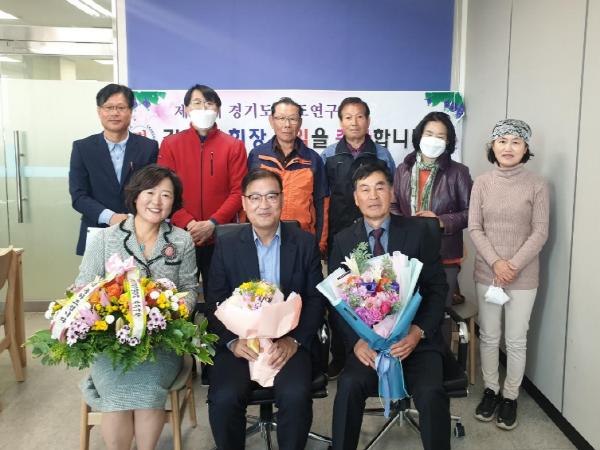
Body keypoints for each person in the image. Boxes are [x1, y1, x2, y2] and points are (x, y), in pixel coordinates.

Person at [329, 161, 450, 450]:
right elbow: (336, 302)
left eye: (379, 187)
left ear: (392, 192)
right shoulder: (343, 241)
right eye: (365, 190)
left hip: (415, 341)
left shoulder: (419, 232)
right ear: (355, 198)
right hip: (369, 344)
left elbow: (437, 289)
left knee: (431, 391)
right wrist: (357, 342)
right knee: (348, 386)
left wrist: (417, 332)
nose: (373, 196)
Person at [76, 164, 198, 450]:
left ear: (173, 202)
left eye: (166, 195)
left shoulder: (181, 240)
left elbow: (190, 289)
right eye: (150, 192)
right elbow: (83, 288)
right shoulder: (105, 239)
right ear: (135, 195)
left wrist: (172, 309)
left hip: (161, 344)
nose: (157, 201)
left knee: (147, 391)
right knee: (116, 394)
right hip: (111, 345)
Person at [206, 168, 324, 450]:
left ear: (282, 200)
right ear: (244, 203)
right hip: (241, 342)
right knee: (224, 397)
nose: (264, 205)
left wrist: (295, 341)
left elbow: (316, 299)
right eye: (255, 197)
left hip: (287, 340)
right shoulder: (227, 244)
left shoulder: (304, 243)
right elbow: (214, 301)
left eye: (271, 196)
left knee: (295, 395)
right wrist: (232, 342)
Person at [469, 119, 549, 430]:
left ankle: (510, 396)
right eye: (502, 141)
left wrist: (511, 265)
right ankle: (491, 390)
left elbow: (540, 232)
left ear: (526, 148)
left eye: (516, 141)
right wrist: (496, 263)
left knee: (516, 340)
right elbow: (475, 228)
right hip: (488, 274)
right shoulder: (482, 183)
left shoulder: (537, 184)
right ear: (492, 146)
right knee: (489, 336)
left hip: (523, 277)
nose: (508, 147)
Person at [321, 97, 396, 378]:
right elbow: (323, 200)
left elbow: (390, 196)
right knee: (342, 297)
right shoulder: (328, 155)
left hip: (375, 232)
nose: (354, 122)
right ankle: (342, 355)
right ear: (341, 122)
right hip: (341, 238)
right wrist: (323, 238)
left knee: (380, 294)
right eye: (348, 117)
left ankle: (383, 346)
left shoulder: (382, 155)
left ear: (368, 120)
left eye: (360, 116)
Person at [158, 84, 247, 297]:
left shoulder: (233, 146)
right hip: (180, 235)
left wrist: (212, 223)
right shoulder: (170, 144)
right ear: (186, 109)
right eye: (197, 103)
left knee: (220, 298)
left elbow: (239, 192)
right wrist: (188, 223)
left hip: (221, 236)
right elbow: (164, 191)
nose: (203, 108)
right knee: (177, 297)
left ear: (218, 109)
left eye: (209, 103)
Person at [392, 111, 472, 308]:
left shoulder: (459, 172)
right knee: (406, 310)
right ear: (419, 135)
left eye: (440, 136)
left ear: (448, 141)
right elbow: (393, 205)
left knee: (439, 311)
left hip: (445, 253)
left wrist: (440, 221)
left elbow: (471, 212)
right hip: (408, 252)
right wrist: (406, 226)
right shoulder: (403, 169)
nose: (433, 140)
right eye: (429, 134)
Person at [69, 83, 158, 255]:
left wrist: (135, 219)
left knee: (139, 274)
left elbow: (152, 190)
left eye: (121, 107)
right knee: (97, 274)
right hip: (97, 230)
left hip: (139, 231)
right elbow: (78, 196)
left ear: (130, 111)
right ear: (99, 111)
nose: (114, 113)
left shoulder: (148, 147)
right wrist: (110, 217)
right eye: (109, 107)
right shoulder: (83, 148)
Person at [247, 97, 328, 253]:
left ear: (300, 123)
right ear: (271, 121)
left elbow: (322, 204)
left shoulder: (313, 159)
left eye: (292, 119)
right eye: (281, 118)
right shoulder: (257, 156)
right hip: (262, 237)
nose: (287, 124)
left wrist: (320, 243)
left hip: (302, 238)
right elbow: (247, 199)